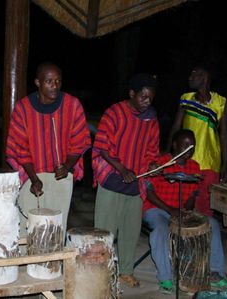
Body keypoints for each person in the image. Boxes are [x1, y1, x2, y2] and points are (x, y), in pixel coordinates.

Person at [144, 129, 227, 293]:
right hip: (157, 208)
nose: (189, 149)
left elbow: (191, 197)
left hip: (179, 210)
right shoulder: (160, 163)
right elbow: (149, 194)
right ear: (174, 144)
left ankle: (215, 273)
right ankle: (166, 279)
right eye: (185, 145)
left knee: (212, 224)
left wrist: (186, 211)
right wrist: (170, 210)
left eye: (192, 146)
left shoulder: (194, 167)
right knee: (160, 230)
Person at [6, 62, 91, 237]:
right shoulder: (23, 108)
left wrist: (67, 166)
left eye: (58, 81)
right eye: (49, 81)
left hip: (61, 175)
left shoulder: (72, 105)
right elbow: (20, 146)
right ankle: (26, 264)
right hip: (31, 175)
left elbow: (79, 140)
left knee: (56, 228)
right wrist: (34, 179)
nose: (55, 85)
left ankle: (53, 264)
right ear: (38, 82)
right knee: (29, 227)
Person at [92, 73, 160, 287]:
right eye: (143, 97)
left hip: (136, 181)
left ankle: (126, 271)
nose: (147, 101)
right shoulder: (115, 113)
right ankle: (99, 272)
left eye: (150, 97)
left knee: (131, 231)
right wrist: (122, 168)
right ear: (132, 93)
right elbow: (102, 147)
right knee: (105, 231)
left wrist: (151, 165)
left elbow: (151, 150)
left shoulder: (151, 118)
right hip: (113, 179)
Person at [167, 65, 227, 217]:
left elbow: (224, 134)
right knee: (185, 201)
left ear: (204, 78)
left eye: (194, 75)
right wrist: (169, 151)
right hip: (187, 158)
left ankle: (204, 237)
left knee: (205, 206)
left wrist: (225, 164)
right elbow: (176, 125)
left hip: (210, 160)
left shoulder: (221, 103)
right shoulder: (186, 99)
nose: (190, 77)